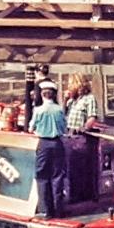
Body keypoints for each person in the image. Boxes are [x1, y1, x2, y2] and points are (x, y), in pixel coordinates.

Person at [28, 80, 68, 218]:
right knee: (57, 176)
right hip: (57, 144)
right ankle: (59, 209)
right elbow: (64, 128)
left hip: (44, 144)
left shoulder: (38, 110)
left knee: (42, 176)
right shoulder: (59, 109)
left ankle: (46, 210)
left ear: (43, 95)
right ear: (53, 95)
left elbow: (31, 127)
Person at [64, 73, 102, 203]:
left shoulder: (89, 99)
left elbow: (92, 117)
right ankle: (74, 195)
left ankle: (87, 196)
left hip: (81, 138)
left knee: (82, 167)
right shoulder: (72, 101)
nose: (68, 87)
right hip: (69, 136)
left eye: (70, 85)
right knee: (71, 168)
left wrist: (84, 127)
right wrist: (65, 101)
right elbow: (63, 115)